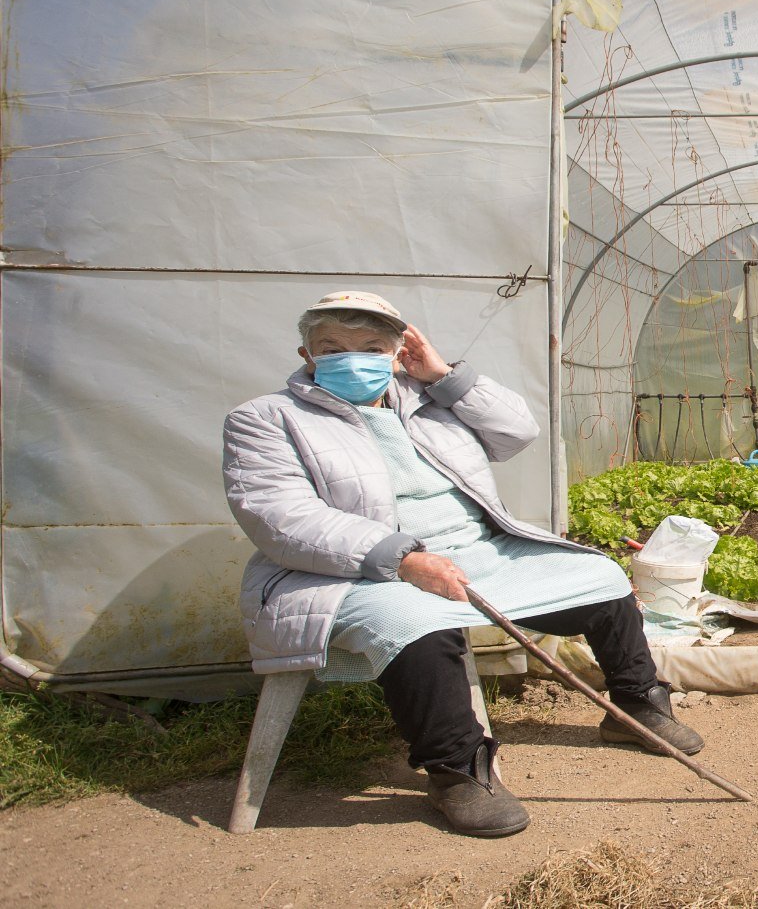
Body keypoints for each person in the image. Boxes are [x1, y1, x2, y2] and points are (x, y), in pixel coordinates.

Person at [224, 290, 701, 838]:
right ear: (306, 353)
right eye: (332, 346)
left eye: (371, 346)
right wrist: (404, 559)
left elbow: (516, 433)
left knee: (599, 574)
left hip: (478, 553)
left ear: (398, 352)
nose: (351, 358)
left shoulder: (428, 399)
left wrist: (443, 375)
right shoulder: (266, 419)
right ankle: (458, 770)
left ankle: (637, 704)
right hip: (353, 570)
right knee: (416, 620)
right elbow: (280, 515)